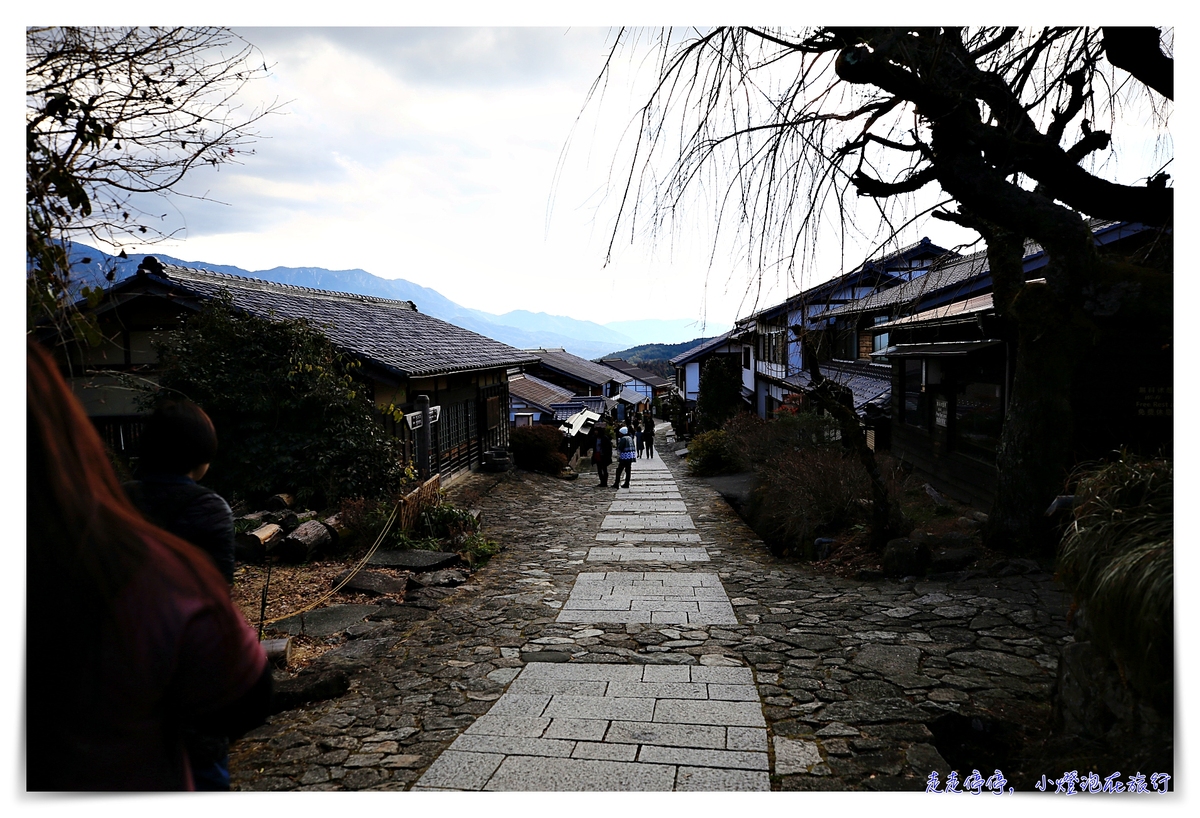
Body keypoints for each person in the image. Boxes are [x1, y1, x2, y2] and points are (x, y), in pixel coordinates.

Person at [26, 338, 271, 791]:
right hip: (169, 721)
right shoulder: (204, 517)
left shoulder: (110, 505)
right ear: (203, 458)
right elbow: (241, 675)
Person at [123, 399, 238, 790]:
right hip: (190, 668)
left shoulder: (113, 503)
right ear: (201, 454)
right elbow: (219, 594)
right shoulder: (209, 509)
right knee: (203, 774)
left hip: (119, 668)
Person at [591, 423, 613, 488]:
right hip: (597, 455)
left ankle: (605, 482)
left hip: (604, 456)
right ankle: (601, 481)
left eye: (596, 431)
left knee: (604, 469)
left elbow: (609, 447)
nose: (595, 432)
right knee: (599, 470)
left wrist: (608, 455)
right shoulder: (595, 438)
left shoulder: (605, 438)